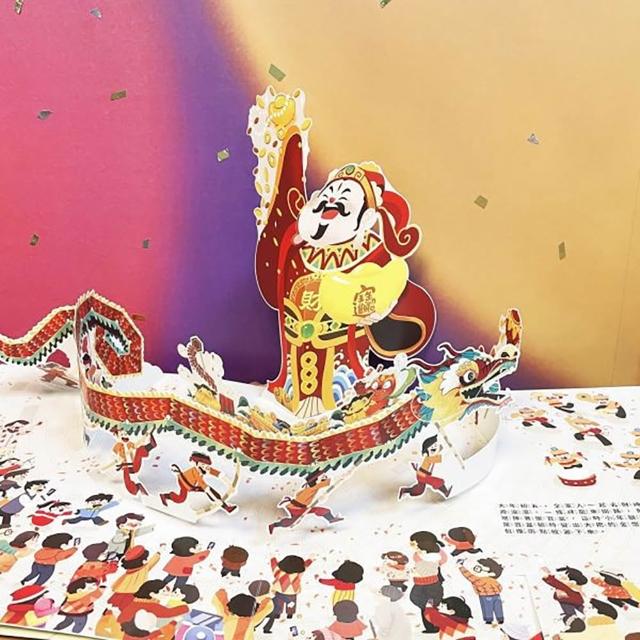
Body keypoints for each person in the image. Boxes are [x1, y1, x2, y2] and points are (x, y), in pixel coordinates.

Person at [160, 452, 237, 513]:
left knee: (213, 493)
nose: (205, 467)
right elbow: (204, 486)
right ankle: (165, 496)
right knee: (181, 499)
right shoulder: (195, 472)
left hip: (193, 485)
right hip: (185, 483)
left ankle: (226, 507)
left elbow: (219, 474)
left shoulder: (205, 468)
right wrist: (217, 501)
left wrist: (230, 485)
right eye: (203, 465)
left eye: (206, 465)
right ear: (196, 464)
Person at [269, 470, 343, 533]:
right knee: (322, 510)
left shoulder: (307, 488)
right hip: (297, 508)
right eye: (316, 480)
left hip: (294, 507)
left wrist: (322, 477)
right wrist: (327, 478)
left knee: (292, 521)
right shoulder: (311, 488)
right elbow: (326, 483)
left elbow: (299, 495)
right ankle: (331, 519)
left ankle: (274, 525)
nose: (317, 481)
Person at [118, 579, 190, 640]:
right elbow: (168, 612)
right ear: (152, 594)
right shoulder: (149, 605)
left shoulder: (137, 601)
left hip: (129, 633)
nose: (167, 594)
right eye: (164, 591)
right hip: (137, 634)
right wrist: (185, 607)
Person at [409, 530, 447, 634]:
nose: (412, 546)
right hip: (422, 582)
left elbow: (440, 560)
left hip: (429, 582)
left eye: (414, 544)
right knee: (421, 602)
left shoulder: (429, 555)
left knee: (428, 605)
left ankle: (434, 625)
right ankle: (431, 624)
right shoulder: (422, 554)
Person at [263, 554, 312, 634]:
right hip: (292, 593)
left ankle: (277, 613)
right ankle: (290, 614)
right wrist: (310, 559)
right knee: (291, 604)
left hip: (279, 591)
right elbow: (306, 565)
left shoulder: (278, 572)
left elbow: (274, 565)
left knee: (278, 603)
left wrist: (273, 557)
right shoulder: (298, 574)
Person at [108, 545, 161, 611]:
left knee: (114, 608)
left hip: (120, 593)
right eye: (145, 558)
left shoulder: (128, 572)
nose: (146, 560)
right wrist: (159, 552)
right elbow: (152, 561)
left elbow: (118, 584)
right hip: (132, 593)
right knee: (126, 609)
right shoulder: (143, 569)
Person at [399, 435, 451, 499]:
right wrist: (443, 449)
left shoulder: (430, 457)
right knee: (437, 481)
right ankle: (446, 492)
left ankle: (405, 490)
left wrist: (440, 448)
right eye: (432, 448)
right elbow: (440, 458)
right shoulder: (428, 458)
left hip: (421, 474)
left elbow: (437, 455)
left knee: (420, 490)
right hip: (422, 475)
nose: (435, 448)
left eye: (436, 446)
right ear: (427, 450)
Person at [458, 557, 504, 625]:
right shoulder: (492, 579)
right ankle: (500, 619)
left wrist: (461, 567)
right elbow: (500, 587)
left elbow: (469, 576)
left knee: (487, 607)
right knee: (498, 607)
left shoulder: (480, 579)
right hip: (496, 595)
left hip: (485, 596)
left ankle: (489, 620)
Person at [542, 566, 587, 633]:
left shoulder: (568, 591)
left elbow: (559, 585)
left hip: (571, 600)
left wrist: (548, 577)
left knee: (572, 609)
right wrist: (549, 577)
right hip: (570, 601)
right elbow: (559, 585)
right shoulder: (568, 592)